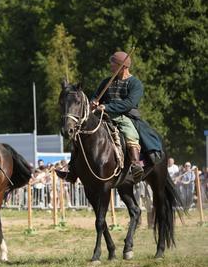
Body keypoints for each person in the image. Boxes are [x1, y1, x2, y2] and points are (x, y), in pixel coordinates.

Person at [57, 50, 161, 184]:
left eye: (113, 64)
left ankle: (135, 164)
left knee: (130, 133)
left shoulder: (135, 84)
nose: (111, 67)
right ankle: (73, 169)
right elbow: (96, 96)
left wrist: (107, 107)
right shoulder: (107, 81)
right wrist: (94, 102)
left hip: (125, 116)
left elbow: (129, 104)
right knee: (80, 133)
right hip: (103, 115)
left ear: (123, 67)